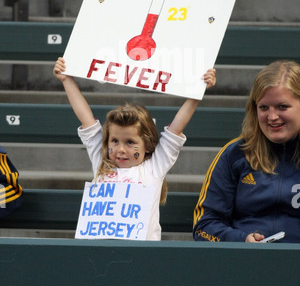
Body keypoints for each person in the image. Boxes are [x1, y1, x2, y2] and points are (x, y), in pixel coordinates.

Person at [54, 57, 216, 240]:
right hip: (97, 257)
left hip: (142, 260)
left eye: (130, 142)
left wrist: (198, 90)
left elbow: (177, 127)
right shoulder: (102, 161)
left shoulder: (155, 167)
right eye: (114, 141)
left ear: (147, 145)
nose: (121, 149)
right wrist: (67, 80)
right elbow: (86, 118)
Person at [193, 60, 300, 244]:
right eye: (264, 107)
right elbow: (204, 226)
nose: (272, 117)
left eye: (283, 107)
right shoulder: (235, 154)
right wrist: (241, 241)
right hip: (244, 264)